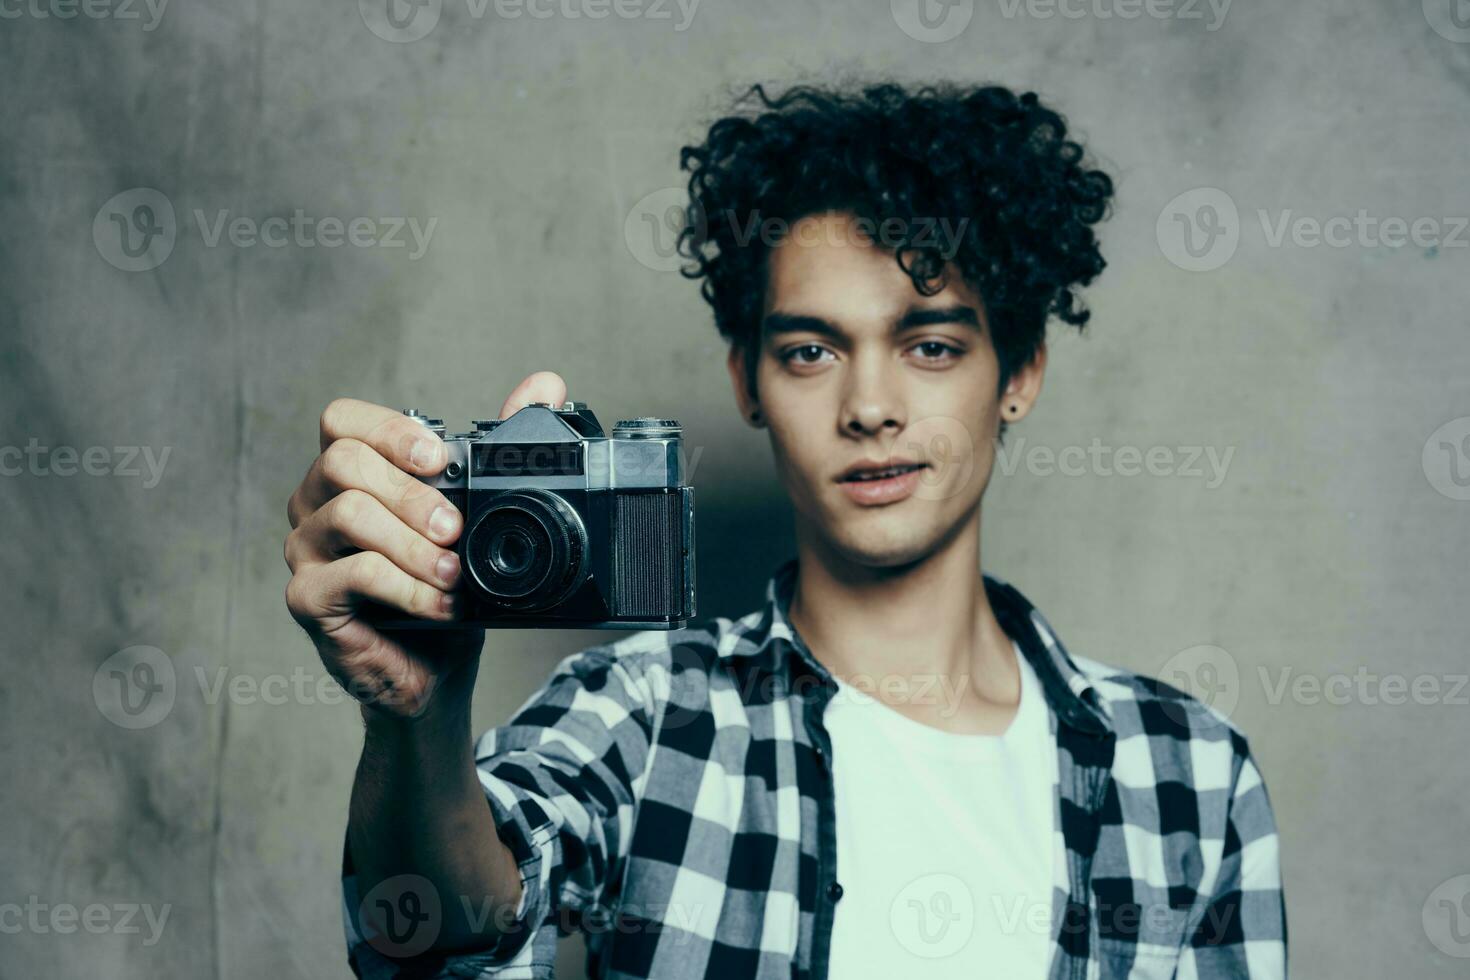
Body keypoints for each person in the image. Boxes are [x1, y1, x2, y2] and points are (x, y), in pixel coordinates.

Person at [284, 82, 1286, 979]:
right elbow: (438, 942)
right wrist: (414, 720)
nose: (871, 405)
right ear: (747, 381)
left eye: (930, 344)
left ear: (1018, 373)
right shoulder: (645, 711)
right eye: (811, 349)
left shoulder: (1185, 770)